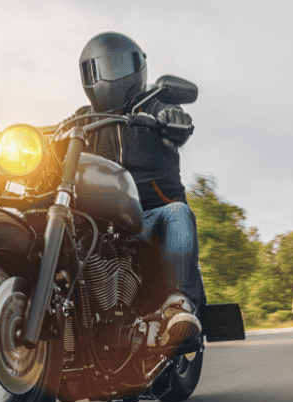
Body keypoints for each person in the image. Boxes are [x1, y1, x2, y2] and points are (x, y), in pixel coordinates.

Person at [73, 32, 202, 347]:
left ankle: (179, 304)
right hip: (101, 217)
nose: (108, 73)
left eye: (116, 65)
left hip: (150, 214)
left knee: (178, 213)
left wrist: (172, 120)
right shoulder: (81, 119)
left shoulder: (156, 105)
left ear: (136, 68)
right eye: (101, 67)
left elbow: (182, 125)